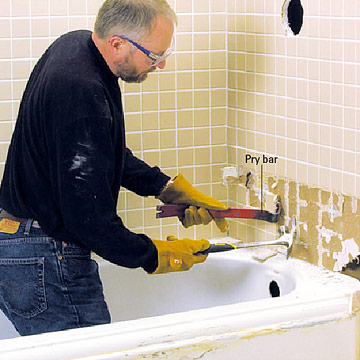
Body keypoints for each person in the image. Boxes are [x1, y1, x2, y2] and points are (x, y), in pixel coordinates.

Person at [0, 0, 228, 337]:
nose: (161, 65)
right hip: (46, 256)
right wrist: (155, 254)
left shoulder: (76, 46)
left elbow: (97, 150)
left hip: (22, 242)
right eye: (154, 56)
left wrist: (165, 187)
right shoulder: (82, 89)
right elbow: (89, 221)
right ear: (117, 43)